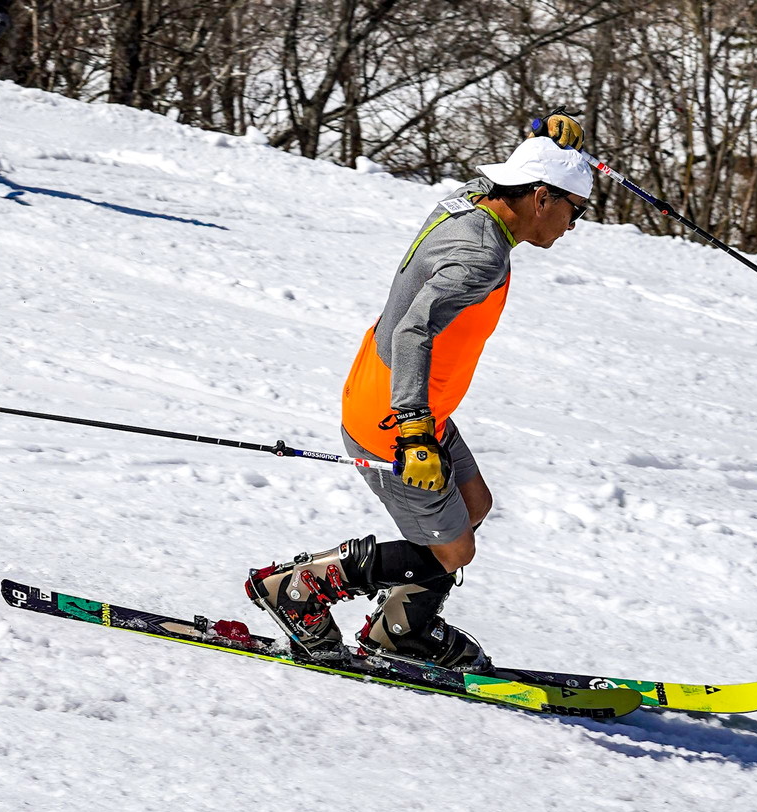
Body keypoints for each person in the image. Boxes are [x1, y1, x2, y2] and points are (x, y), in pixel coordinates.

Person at [246, 112, 591, 673]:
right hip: (395, 416)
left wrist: (547, 144)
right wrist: (412, 431)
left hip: (412, 402)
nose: (573, 226)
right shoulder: (481, 257)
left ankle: (401, 628)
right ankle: (299, 590)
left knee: (474, 506)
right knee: (454, 550)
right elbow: (413, 328)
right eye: (575, 210)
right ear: (541, 197)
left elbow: (505, 177)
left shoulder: (472, 201)